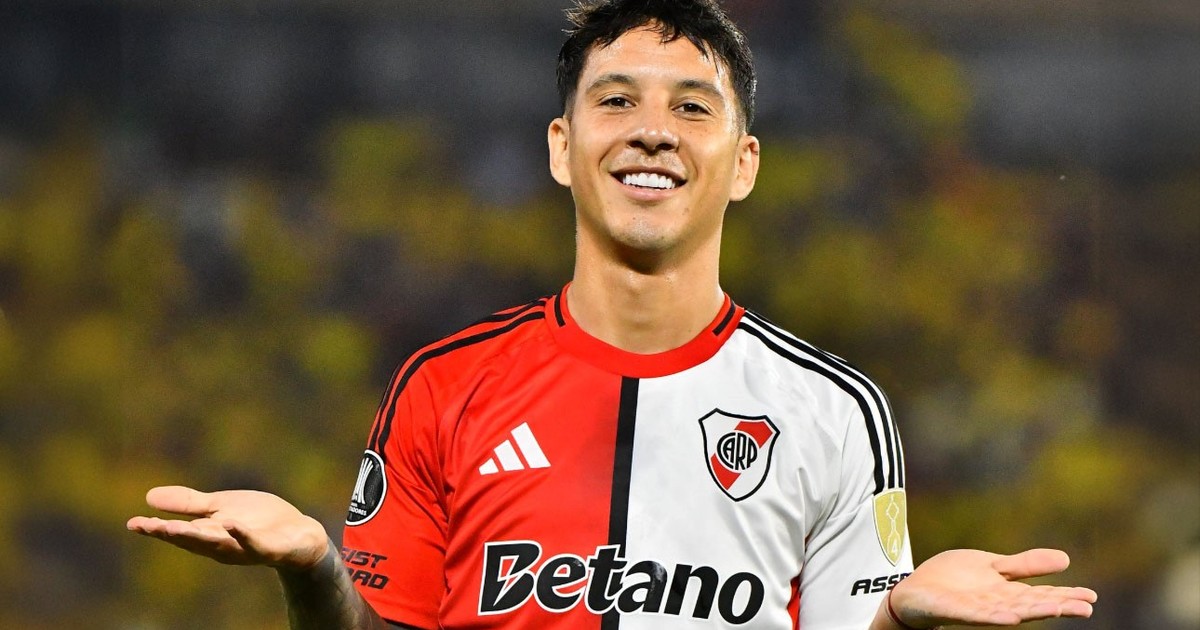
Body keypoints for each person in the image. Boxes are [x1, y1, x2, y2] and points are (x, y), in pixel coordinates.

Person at [127, 1, 1098, 628]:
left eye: (692, 108)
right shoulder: (443, 387)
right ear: (562, 147)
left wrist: (898, 620)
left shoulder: (836, 412)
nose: (652, 131)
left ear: (744, 164)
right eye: (618, 100)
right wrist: (312, 570)